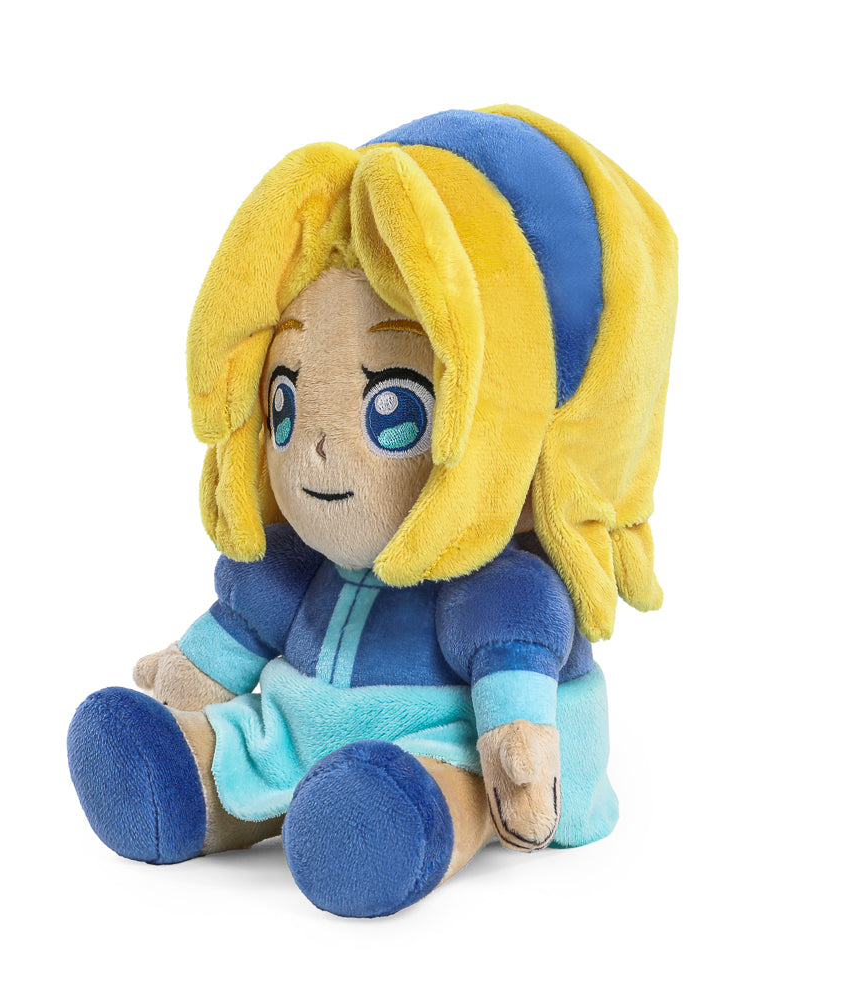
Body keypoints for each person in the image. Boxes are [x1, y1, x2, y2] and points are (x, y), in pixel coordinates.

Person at [68, 107, 677, 918]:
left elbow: (513, 665)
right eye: (285, 404)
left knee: (441, 781)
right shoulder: (301, 564)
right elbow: (249, 620)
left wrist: (520, 743)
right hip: (300, 718)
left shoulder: (495, 586)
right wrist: (195, 674)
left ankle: (400, 827)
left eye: (395, 410)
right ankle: (182, 784)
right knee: (246, 740)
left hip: (442, 741)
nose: (314, 450)